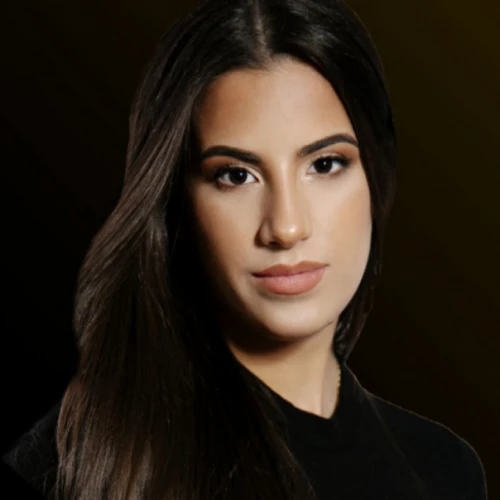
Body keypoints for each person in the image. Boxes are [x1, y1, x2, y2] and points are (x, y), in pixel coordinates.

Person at [2, 0, 488, 499]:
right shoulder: (82, 457)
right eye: (236, 176)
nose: (286, 227)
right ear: (177, 203)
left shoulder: (444, 470)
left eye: (324, 165)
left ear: (377, 177)